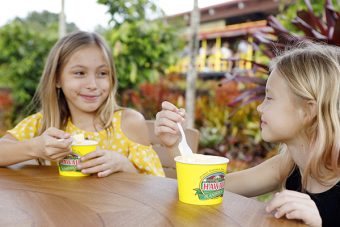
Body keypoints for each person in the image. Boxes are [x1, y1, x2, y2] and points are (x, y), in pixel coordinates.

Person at [154, 42, 340, 227]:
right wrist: (176, 144)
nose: (259, 108)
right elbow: (208, 188)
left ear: (307, 111)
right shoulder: (288, 165)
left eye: (269, 98)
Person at [0, 31, 164, 177]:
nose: (92, 84)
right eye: (79, 73)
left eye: (102, 73)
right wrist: (35, 148)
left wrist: (124, 165)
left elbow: (155, 185)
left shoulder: (129, 123)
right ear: (57, 78)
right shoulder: (42, 124)